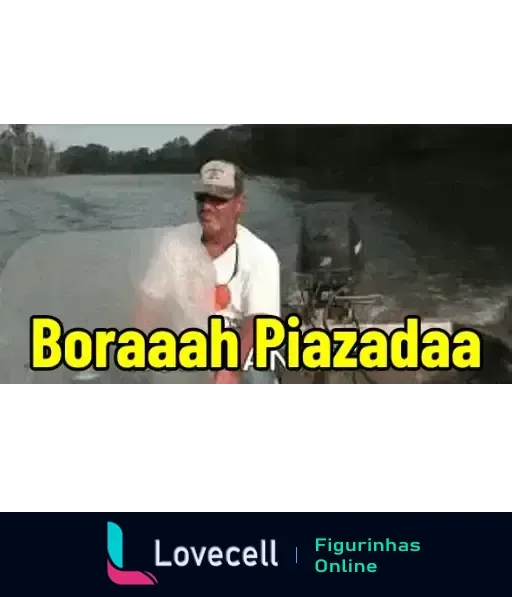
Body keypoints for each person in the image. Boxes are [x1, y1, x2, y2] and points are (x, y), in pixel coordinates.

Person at [135, 159, 281, 387]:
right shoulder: (173, 243)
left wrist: (230, 369)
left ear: (239, 205)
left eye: (218, 199)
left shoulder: (261, 256)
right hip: (189, 350)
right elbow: (150, 305)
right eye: (202, 197)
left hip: (241, 351)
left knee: (255, 372)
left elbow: (258, 325)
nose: (206, 206)